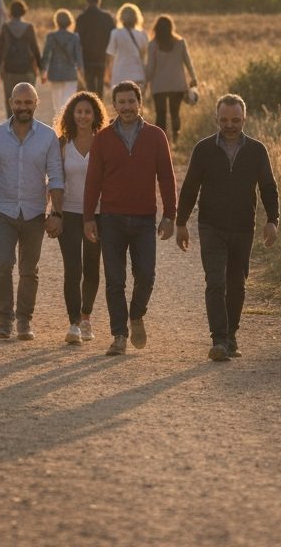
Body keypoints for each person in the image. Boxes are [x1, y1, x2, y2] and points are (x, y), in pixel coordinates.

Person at [176, 94, 279, 362]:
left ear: (244, 119)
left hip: (244, 227)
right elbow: (189, 188)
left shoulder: (257, 151)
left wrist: (272, 220)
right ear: (216, 119)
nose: (230, 125)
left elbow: (268, 186)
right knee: (215, 282)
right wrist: (181, 222)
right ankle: (219, 340)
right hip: (211, 225)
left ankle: (231, 334)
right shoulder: (204, 149)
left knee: (237, 285)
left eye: (235, 120)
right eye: (224, 120)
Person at [82, 80, 177, 356]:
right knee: (114, 280)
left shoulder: (156, 136)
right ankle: (119, 335)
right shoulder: (102, 138)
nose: (126, 107)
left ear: (140, 103)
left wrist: (170, 214)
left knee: (146, 275)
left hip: (144, 218)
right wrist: (89, 217)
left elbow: (167, 178)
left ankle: (136, 314)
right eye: (121, 102)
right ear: (114, 106)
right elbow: (93, 180)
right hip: (110, 218)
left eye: (131, 102)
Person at [0, 82, 65, 340]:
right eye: (18, 102)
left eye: (28, 103)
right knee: (2, 263)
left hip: (35, 212)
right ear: (11, 102)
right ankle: (5, 320)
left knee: (29, 269)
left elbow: (56, 176)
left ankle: (24, 320)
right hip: (3, 210)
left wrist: (56, 213)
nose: (23, 107)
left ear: (36, 104)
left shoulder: (48, 136)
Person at [51, 91, 105, 345]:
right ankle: (73, 323)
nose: (83, 116)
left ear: (95, 116)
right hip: (70, 213)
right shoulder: (63, 143)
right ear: (72, 115)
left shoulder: (104, 142)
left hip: (97, 213)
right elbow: (54, 180)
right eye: (78, 111)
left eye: (87, 112)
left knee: (91, 266)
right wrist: (52, 212)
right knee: (72, 268)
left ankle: (86, 317)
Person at [145, 14, 198, 145]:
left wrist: (145, 83)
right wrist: (193, 77)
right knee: (175, 113)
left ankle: (161, 142)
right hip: (177, 85)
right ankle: (175, 139)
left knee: (160, 114)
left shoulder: (153, 45)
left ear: (156, 28)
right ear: (171, 27)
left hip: (159, 86)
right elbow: (188, 62)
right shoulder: (180, 42)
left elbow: (150, 67)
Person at [0, 0, 42, 119]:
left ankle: (10, 127)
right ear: (23, 12)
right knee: (28, 101)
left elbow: (0, 50)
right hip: (27, 69)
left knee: (11, 101)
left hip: (9, 69)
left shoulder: (6, 27)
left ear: (11, 12)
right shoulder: (29, 27)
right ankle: (27, 127)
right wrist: (42, 69)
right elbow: (35, 49)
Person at [41, 9, 85, 117]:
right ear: (69, 22)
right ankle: (66, 124)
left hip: (55, 72)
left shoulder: (51, 36)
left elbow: (46, 56)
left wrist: (43, 72)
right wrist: (81, 73)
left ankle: (58, 124)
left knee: (57, 103)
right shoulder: (74, 37)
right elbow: (78, 57)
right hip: (70, 73)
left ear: (57, 21)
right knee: (68, 102)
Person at [76, 0, 115, 97]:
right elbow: (112, 36)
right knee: (100, 85)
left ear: (87, 2)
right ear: (99, 2)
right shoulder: (107, 17)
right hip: (102, 56)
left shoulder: (81, 18)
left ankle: (93, 105)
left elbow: (77, 39)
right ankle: (100, 106)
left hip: (87, 57)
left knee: (90, 85)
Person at [105, 2, 148, 94]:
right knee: (136, 102)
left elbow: (110, 55)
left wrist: (108, 73)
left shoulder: (115, 33)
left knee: (121, 102)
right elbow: (144, 55)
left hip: (120, 74)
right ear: (137, 17)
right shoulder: (143, 34)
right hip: (138, 73)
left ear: (121, 17)